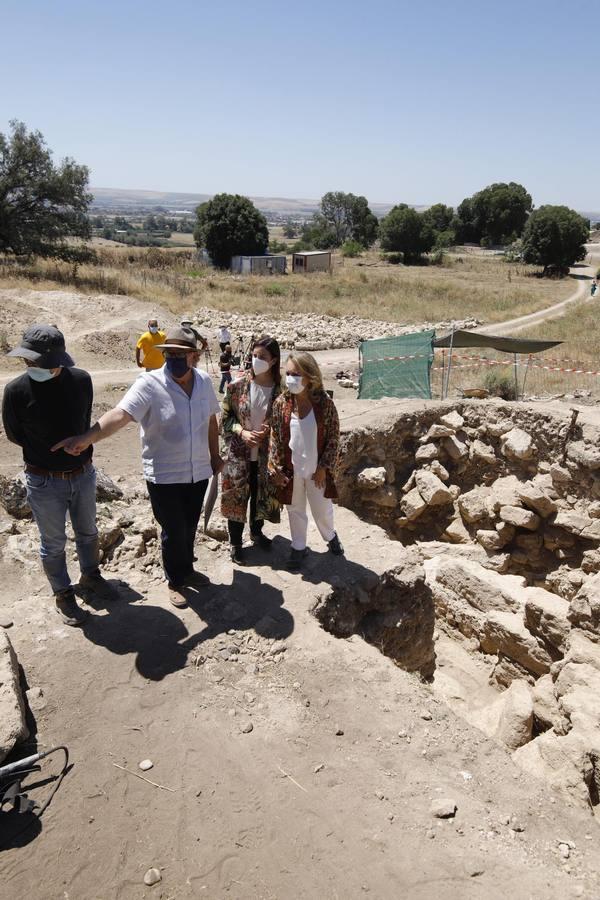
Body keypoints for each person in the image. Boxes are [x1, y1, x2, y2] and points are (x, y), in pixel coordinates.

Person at [53, 327, 224, 609]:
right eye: (169, 354)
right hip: (164, 475)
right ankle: (175, 581)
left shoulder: (204, 381)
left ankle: (187, 570)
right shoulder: (149, 383)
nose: (174, 359)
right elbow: (120, 415)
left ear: (194, 356)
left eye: (180, 354)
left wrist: (215, 455)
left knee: (189, 525)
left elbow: (211, 421)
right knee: (172, 529)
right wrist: (87, 438)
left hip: (198, 472)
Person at [2, 325, 111, 626]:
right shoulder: (15, 391)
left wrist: (79, 444)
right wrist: (46, 452)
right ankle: (63, 594)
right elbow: (14, 435)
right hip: (43, 480)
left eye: (36, 360)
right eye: (27, 359)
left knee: (88, 532)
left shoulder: (82, 381)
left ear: (57, 361)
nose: (30, 365)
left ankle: (90, 576)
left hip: (83, 474)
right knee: (52, 542)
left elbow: (85, 423)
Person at [268, 351, 343, 571]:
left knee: (321, 509)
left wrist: (324, 467)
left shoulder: (325, 404)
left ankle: (330, 536)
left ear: (310, 377)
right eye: (288, 374)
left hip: (316, 470)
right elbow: (275, 436)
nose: (291, 379)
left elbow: (333, 438)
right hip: (291, 470)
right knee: (295, 509)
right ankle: (298, 547)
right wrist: (275, 467)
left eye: (297, 374)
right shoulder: (281, 403)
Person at [221, 336, 283, 564]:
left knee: (260, 496)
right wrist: (242, 432)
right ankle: (235, 543)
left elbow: (286, 422)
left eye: (262, 357)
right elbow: (226, 418)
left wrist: (271, 428)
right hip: (239, 455)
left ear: (273, 360)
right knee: (236, 497)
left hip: (266, 456)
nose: (256, 360)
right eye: (254, 355)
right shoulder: (237, 386)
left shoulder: (281, 391)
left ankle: (256, 533)